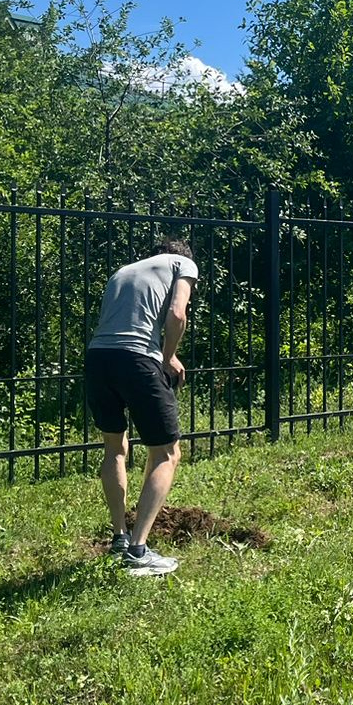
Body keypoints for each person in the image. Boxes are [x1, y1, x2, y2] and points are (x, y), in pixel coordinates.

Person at [85, 237, 199, 576]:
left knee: (114, 448)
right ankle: (138, 551)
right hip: (137, 361)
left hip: (98, 359)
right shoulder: (183, 264)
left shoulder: (123, 271)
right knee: (166, 453)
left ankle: (120, 537)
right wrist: (168, 357)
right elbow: (177, 313)